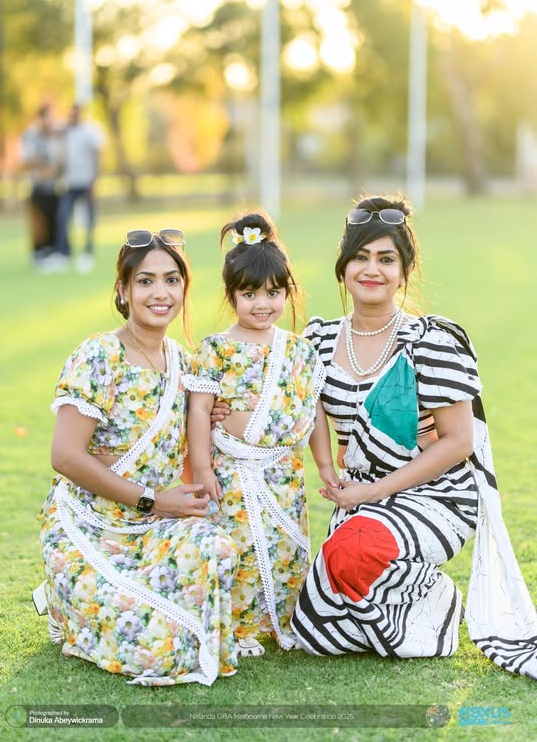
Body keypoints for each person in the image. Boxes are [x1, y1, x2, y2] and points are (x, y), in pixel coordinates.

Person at [291, 194, 537, 680]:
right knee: (313, 632)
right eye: (360, 257)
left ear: (404, 272)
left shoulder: (432, 342)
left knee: (353, 554)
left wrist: (376, 491)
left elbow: (458, 442)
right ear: (343, 268)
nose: (372, 269)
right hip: (359, 497)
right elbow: (298, 408)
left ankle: (436, 610)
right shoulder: (317, 342)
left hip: (435, 494)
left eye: (386, 259)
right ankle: (393, 588)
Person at [35, 227, 239, 686]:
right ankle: (70, 598)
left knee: (218, 550)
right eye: (145, 281)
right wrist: (152, 499)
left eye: (172, 279)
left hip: (154, 528)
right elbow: (65, 456)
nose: (160, 293)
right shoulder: (99, 355)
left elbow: (183, 447)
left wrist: (210, 416)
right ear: (123, 291)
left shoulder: (185, 364)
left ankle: (93, 603)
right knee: (153, 645)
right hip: (92, 524)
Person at [185, 212, 326, 657]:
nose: (262, 304)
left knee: (286, 545)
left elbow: (314, 409)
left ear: (287, 292)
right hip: (231, 471)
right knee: (241, 546)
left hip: (283, 471)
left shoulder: (299, 350)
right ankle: (241, 625)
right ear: (231, 296)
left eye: (273, 293)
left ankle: (283, 618)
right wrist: (204, 468)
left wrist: (326, 465)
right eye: (249, 294)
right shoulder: (216, 349)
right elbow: (200, 410)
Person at [55, 103, 104, 273]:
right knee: (63, 217)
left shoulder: (90, 131)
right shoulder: (66, 132)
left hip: (86, 182)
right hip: (70, 183)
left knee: (89, 220)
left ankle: (87, 253)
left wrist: (94, 180)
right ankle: (63, 253)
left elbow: (97, 156)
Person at [21, 103, 63, 270]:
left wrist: (50, 171)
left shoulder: (55, 136)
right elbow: (28, 161)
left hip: (52, 187)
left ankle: (52, 253)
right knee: (39, 222)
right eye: (48, 116)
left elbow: (58, 162)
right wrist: (42, 167)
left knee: (54, 220)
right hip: (37, 187)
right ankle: (39, 254)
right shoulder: (31, 135)